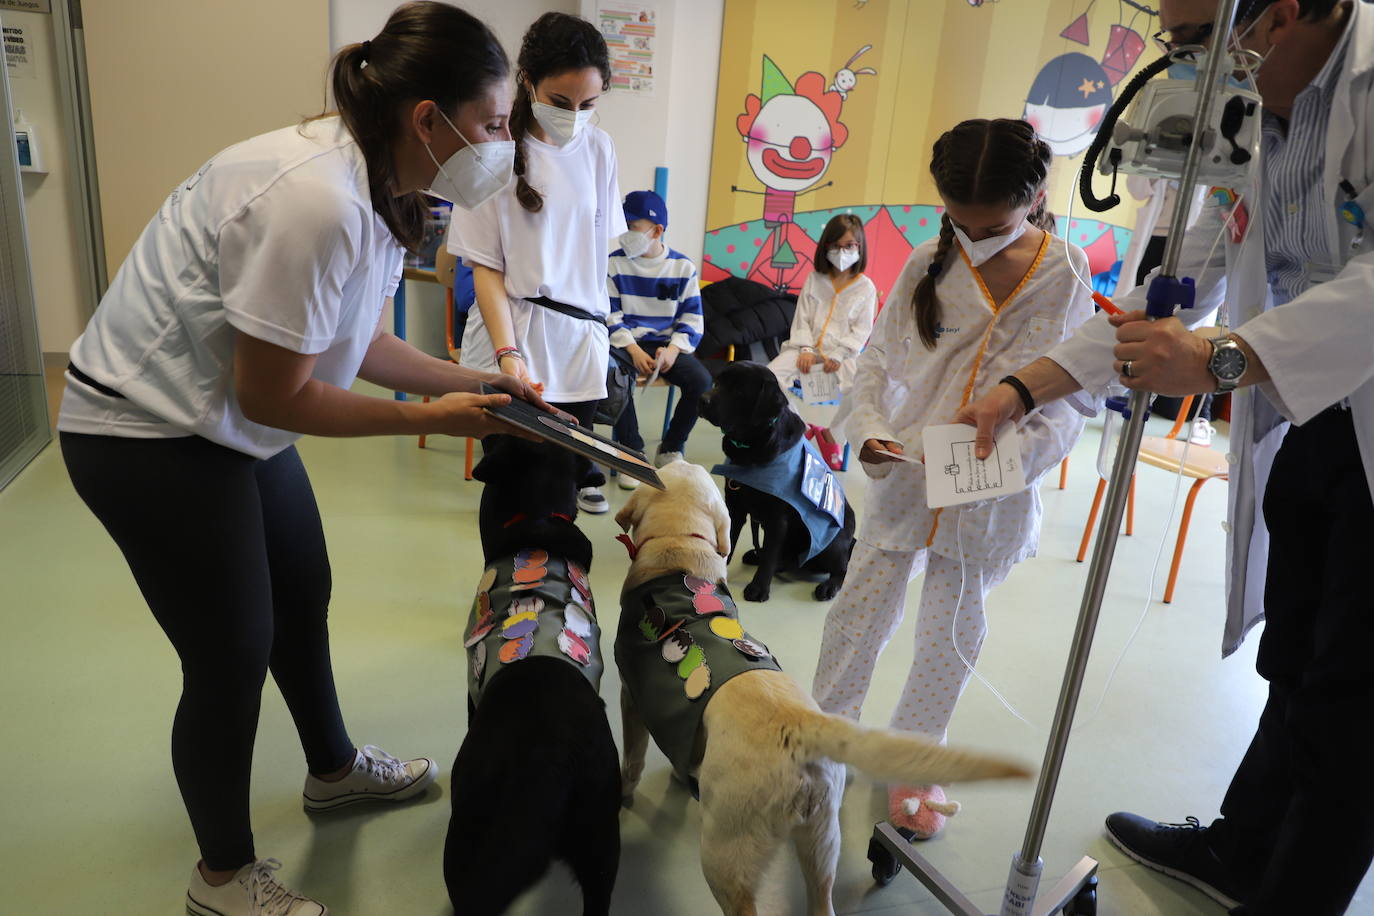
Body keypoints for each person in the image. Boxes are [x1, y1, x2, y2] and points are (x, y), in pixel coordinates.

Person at [57, 5, 557, 914]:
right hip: (141, 429)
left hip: (225, 418)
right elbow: (276, 397)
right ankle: (221, 878)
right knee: (230, 651)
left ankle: (331, 772)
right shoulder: (313, 198)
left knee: (302, 586)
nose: (500, 145)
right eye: (491, 124)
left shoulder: (384, 182)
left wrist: (474, 385)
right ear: (427, 118)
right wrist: (437, 417)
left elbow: (355, 341)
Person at [957, 2, 1374, 912]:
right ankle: (1243, 845)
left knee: (1356, 707)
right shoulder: (1268, 119)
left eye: (1194, 40)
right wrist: (1023, 387)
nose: (1180, 62)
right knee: (1297, 659)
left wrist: (1223, 358)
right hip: (1321, 427)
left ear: (1283, 12)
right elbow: (1162, 296)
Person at [810, 119, 1094, 840]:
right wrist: (868, 425)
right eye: (958, 224)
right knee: (856, 618)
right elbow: (876, 361)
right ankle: (825, 750)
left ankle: (914, 760)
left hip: (991, 494)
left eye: (991, 226)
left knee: (950, 635)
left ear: (1034, 198)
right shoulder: (925, 262)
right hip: (907, 475)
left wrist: (1010, 465)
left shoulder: (1064, 271)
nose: (973, 238)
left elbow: (1074, 397)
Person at [447, 11, 625, 514]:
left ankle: (551, 594)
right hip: (515, 344)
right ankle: (503, 592)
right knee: (515, 494)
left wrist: (617, 335)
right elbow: (485, 268)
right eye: (560, 102)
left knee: (561, 498)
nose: (574, 115)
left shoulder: (599, 148)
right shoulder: (491, 151)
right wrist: (509, 355)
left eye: (588, 104)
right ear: (527, 80)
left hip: (580, 352)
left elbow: (594, 260)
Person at [606, 189, 709, 482]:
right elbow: (609, 315)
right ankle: (631, 452)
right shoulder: (614, 264)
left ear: (657, 230)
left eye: (633, 227)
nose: (626, 234)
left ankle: (671, 448)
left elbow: (692, 318)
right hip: (626, 343)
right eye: (623, 227)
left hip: (666, 344)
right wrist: (634, 350)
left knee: (701, 383)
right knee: (616, 377)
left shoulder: (682, 267)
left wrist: (674, 350)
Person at [767, 213, 878, 470]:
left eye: (849, 245)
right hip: (803, 348)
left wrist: (839, 355)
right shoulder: (814, 279)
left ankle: (831, 435)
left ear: (860, 247)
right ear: (825, 246)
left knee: (865, 388)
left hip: (843, 356)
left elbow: (862, 331)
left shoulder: (866, 288)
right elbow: (802, 319)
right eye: (835, 245)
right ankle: (799, 427)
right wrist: (806, 349)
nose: (842, 251)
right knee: (769, 376)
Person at [1123, 175, 1219, 445]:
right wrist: (1158, 169)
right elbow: (1137, 188)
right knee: (1146, 321)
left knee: (1201, 333)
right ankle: (1137, 402)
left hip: (1202, 237)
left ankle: (1202, 416)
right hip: (1156, 237)